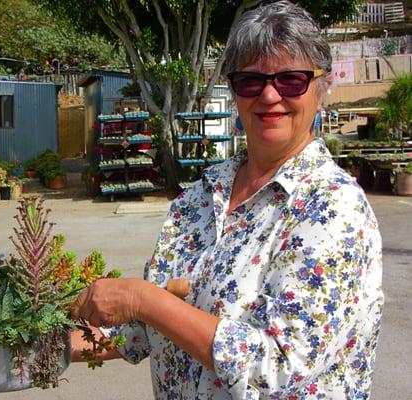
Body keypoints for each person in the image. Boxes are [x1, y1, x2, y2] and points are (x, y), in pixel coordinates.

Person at [71, 1, 384, 398]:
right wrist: (29, 344)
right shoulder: (198, 199)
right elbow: (148, 329)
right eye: (250, 81)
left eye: (291, 80)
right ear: (234, 91)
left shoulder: (334, 209)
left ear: (321, 89)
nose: (269, 95)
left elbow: (276, 369)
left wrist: (141, 299)